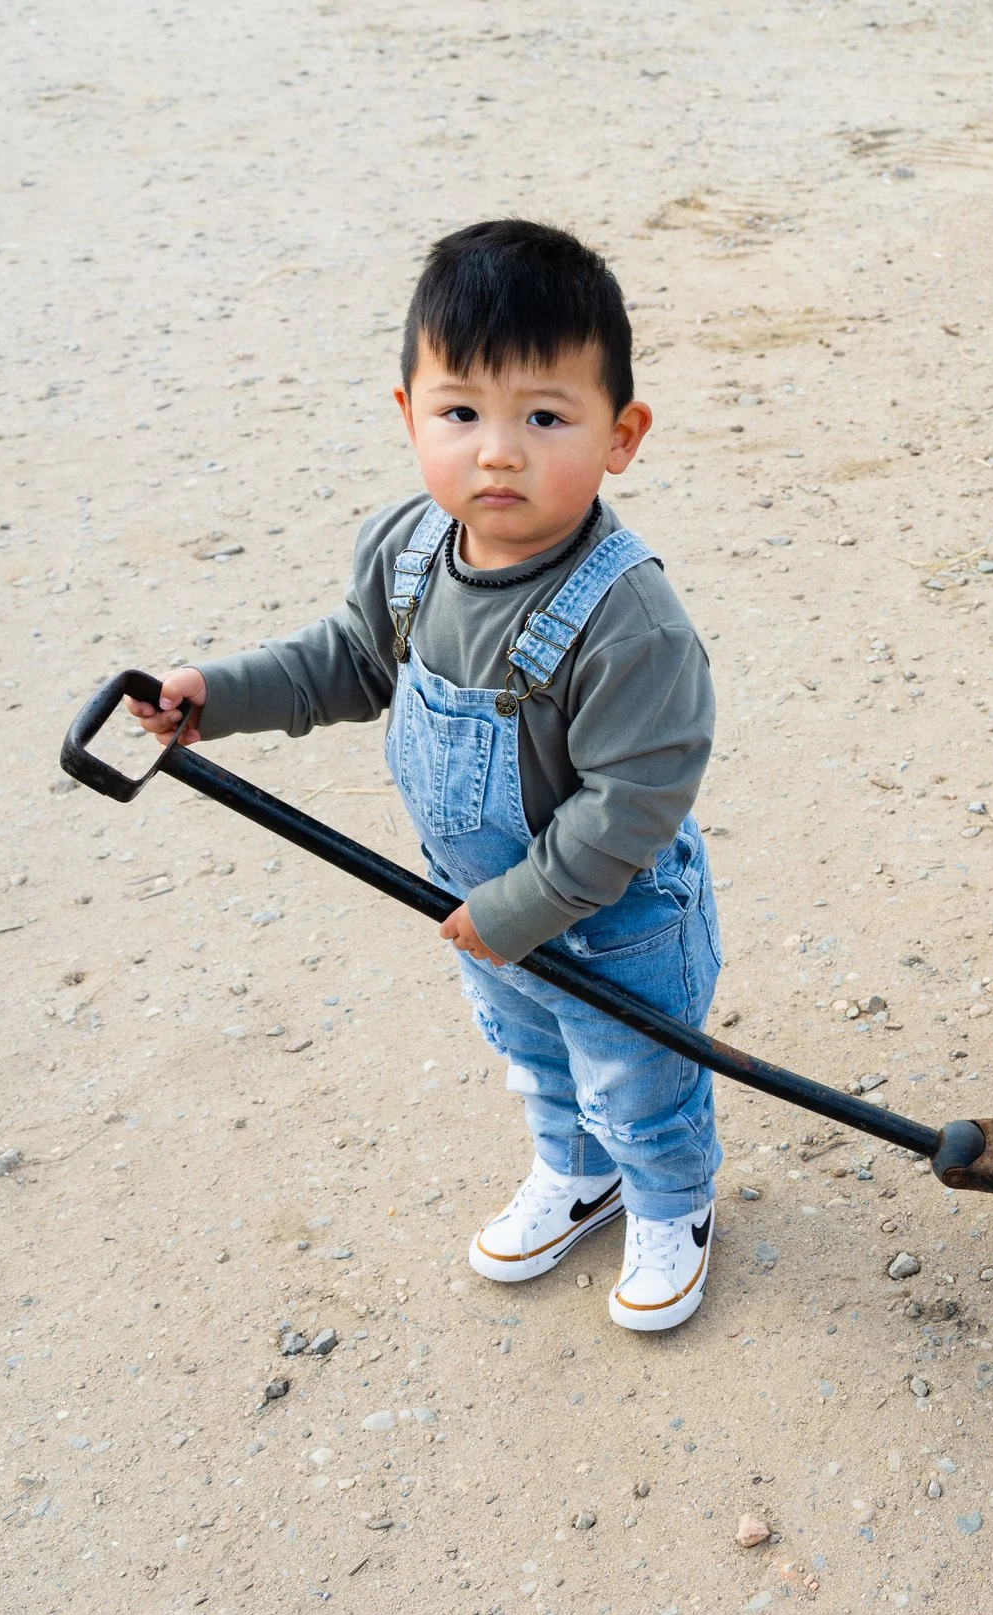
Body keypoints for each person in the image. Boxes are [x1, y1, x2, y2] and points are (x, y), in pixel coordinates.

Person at [129, 220, 722, 1331]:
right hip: (478, 906)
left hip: (611, 915)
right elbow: (346, 660)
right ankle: (576, 1171)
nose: (496, 451)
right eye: (460, 413)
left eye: (544, 417)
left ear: (621, 435)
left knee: (637, 1075)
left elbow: (632, 801)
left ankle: (669, 1199)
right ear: (409, 415)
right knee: (539, 1055)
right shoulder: (408, 551)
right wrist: (217, 691)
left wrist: (519, 907)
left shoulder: (627, 618)